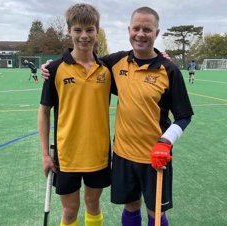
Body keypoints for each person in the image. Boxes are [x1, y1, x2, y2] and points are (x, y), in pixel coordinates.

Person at [41, 6, 194, 226]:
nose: (141, 34)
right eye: (136, 28)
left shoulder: (168, 70)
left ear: (156, 33)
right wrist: (51, 66)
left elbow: (184, 115)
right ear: (129, 30)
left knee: (155, 213)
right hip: (122, 155)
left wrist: (165, 142)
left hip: (155, 156)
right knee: (131, 207)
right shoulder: (115, 63)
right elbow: (84, 62)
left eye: (147, 29)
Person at [38, 3, 114, 226]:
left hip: (98, 153)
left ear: (97, 31)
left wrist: (161, 56)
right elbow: (44, 112)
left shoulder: (106, 69)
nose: (84, 36)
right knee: (70, 212)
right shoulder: (54, 69)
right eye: (78, 30)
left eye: (89, 30)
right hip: (67, 155)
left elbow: (137, 59)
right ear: (69, 31)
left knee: (93, 205)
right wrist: (45, 154)